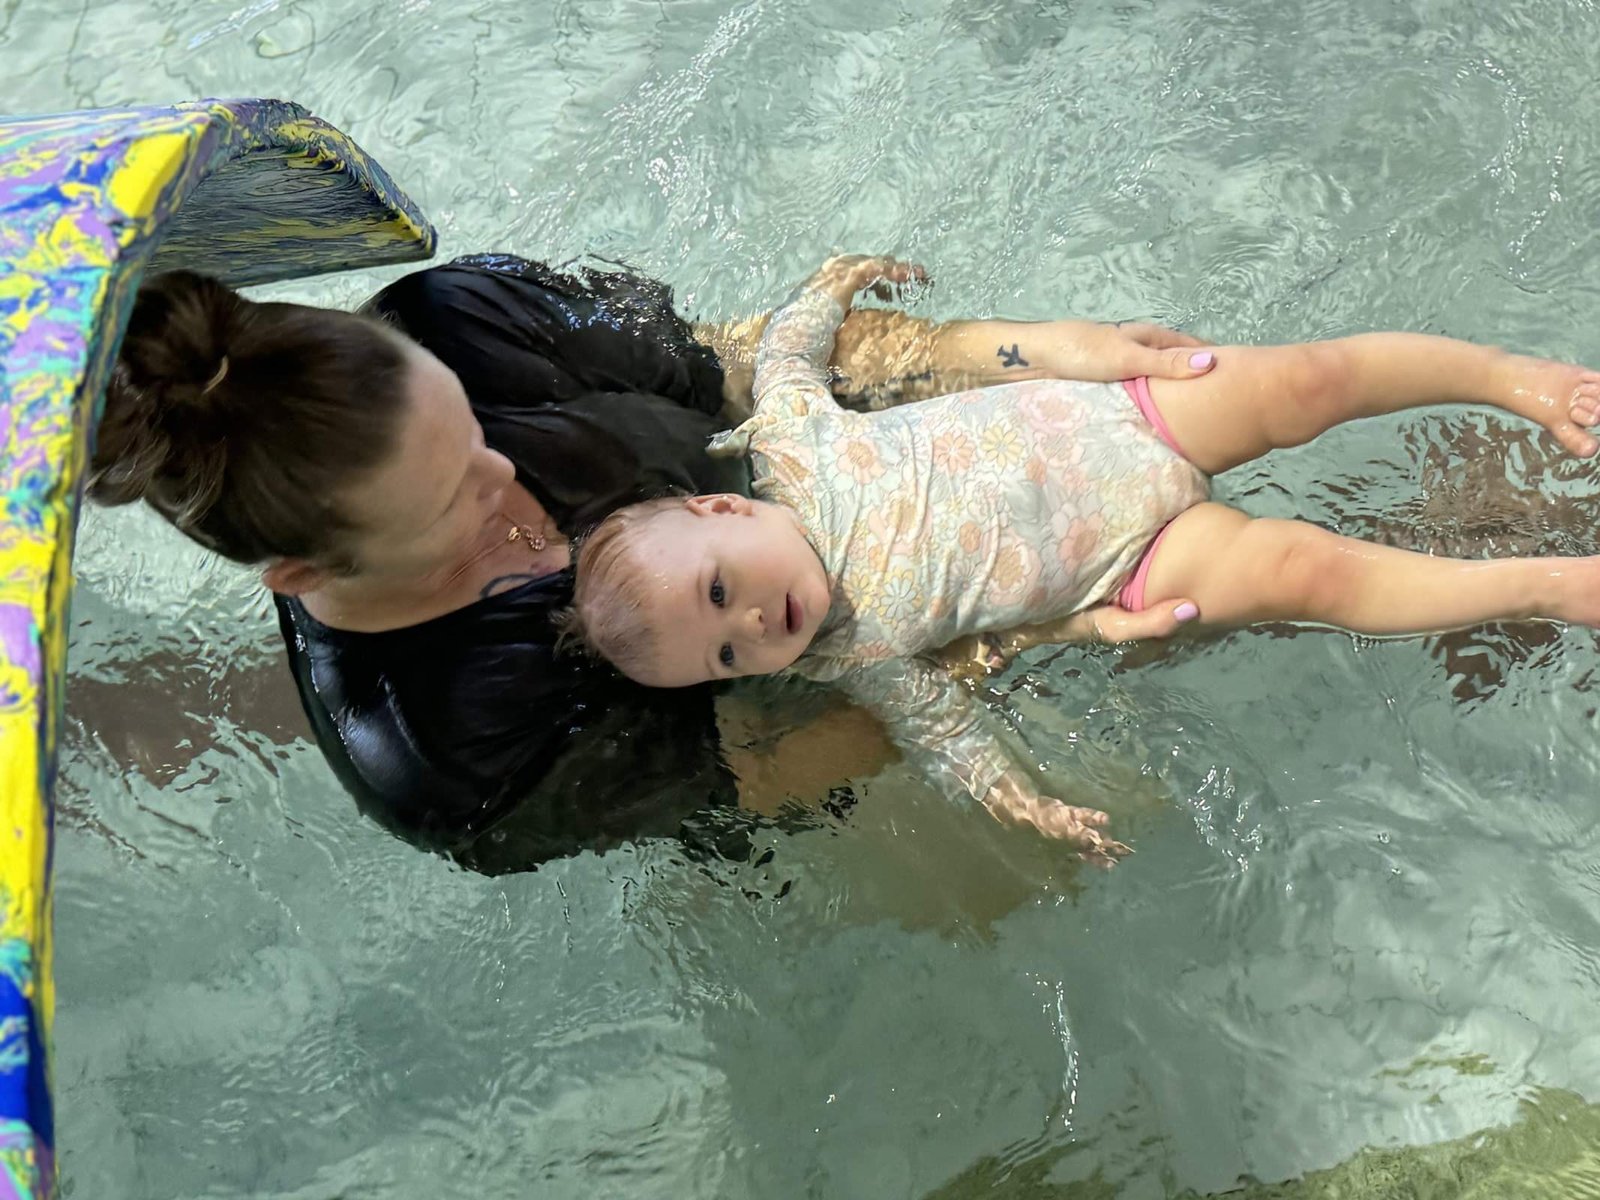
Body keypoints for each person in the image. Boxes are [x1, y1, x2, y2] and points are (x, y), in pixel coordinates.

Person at [88, 254, 1210, 871]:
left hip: (815, 493)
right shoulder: (459, 759)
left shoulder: (459, 322)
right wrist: (1016, 629)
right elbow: (771, 760)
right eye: (453, 500)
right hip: (796, 690)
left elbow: (733, 366)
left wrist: (1023, 355)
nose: (503, 480)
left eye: (475, 434)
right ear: (299, 574)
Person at [565, 254, 1600, 864]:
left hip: (1125, 419)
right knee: (1309, 577)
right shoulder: (853, 656)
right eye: (729, 657)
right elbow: (949, 736)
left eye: (719, 591)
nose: (755, 626)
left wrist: (834, 281)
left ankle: (1520, 380)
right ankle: (1545, 586)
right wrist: (1030, 806)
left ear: (715, 505)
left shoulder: (789, 441)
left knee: (1312, 379)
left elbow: (790, 350)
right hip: (1137, 561)